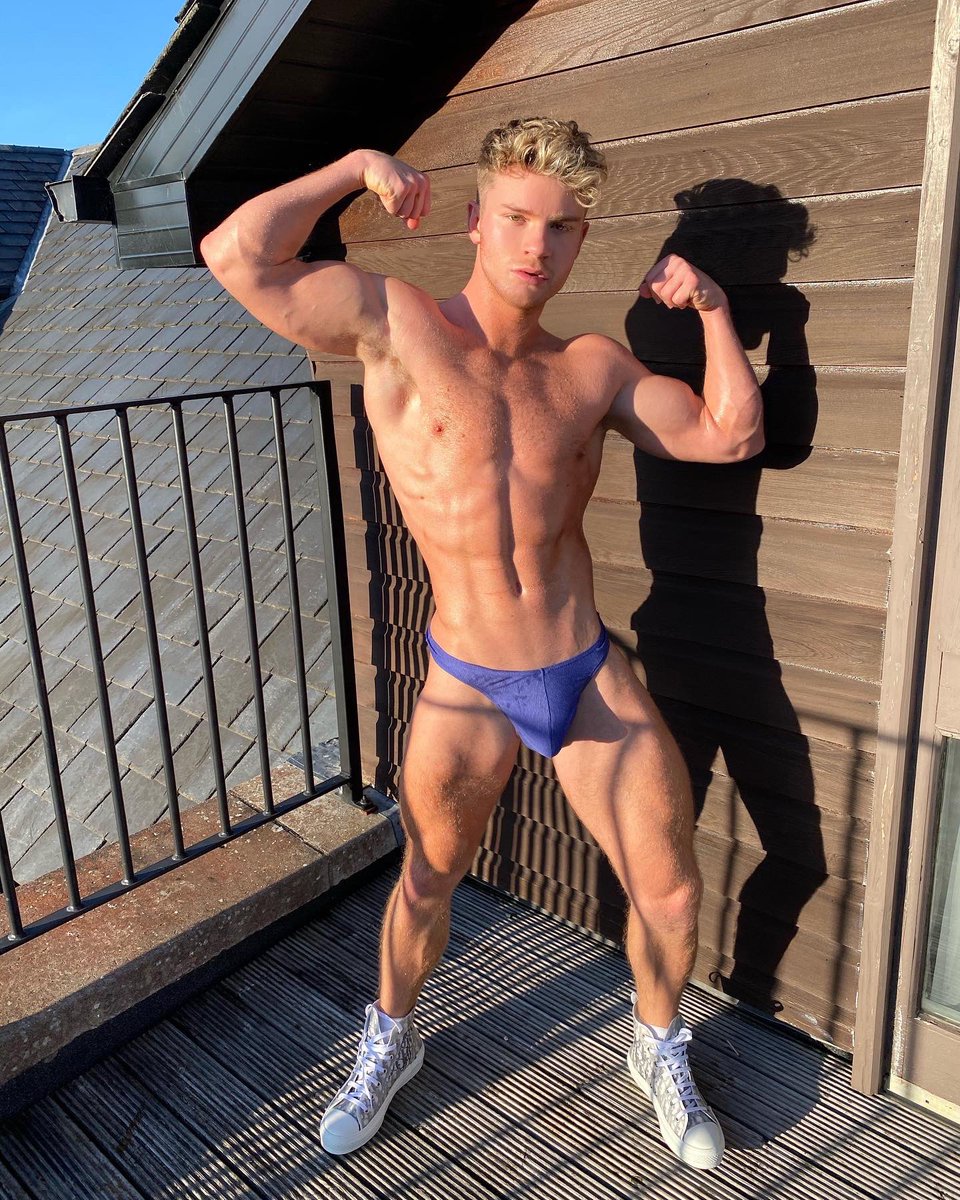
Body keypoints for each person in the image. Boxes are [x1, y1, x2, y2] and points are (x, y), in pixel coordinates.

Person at [200, 116, 764, 1172]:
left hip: (583, 669)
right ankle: (392, 1040)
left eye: (562, 227)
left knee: (671, 890)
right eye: (516, 218)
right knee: (427, 879)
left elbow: (732, 433)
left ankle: (655, 1045)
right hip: (468, 680)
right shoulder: (396, 324)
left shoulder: (591, 368)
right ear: (475, 219)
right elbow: (236, 255)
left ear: (581, 238)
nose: (536, 246)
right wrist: (352, 166)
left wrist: (715, 310)